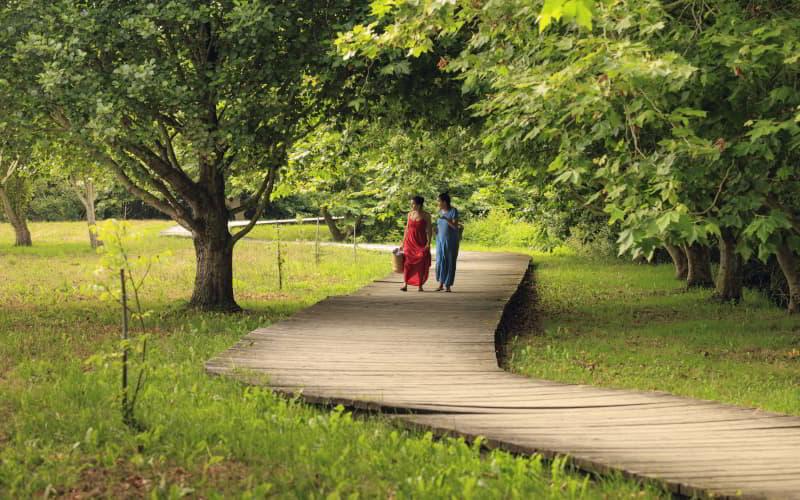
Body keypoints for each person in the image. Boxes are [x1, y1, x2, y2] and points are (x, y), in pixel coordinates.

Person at [401, 196, 433, 292]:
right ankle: (405, 284)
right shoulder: (410, 214)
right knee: (407, 263)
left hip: (421, 242)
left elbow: (429, 230)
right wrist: (403, 243)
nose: (412, 206)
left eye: (413, 204)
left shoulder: (426, 215)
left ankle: (420, 285)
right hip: (409, 243)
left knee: (420, 262)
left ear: (419, 205)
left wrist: (428, 243)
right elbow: (407, 229)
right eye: (411, 204)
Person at [435, 192, 460, 292]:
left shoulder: (453, 211)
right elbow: (439, 225)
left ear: (444, 202)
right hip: (440, 240)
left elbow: (455, 226)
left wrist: (446, 219)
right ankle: (441, 284)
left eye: (439, 201)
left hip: (450, 241)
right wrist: (435, 229)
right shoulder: (440, 211)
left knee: (449, 261)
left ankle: (448, 285)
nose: (438, 203)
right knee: (440, 261)